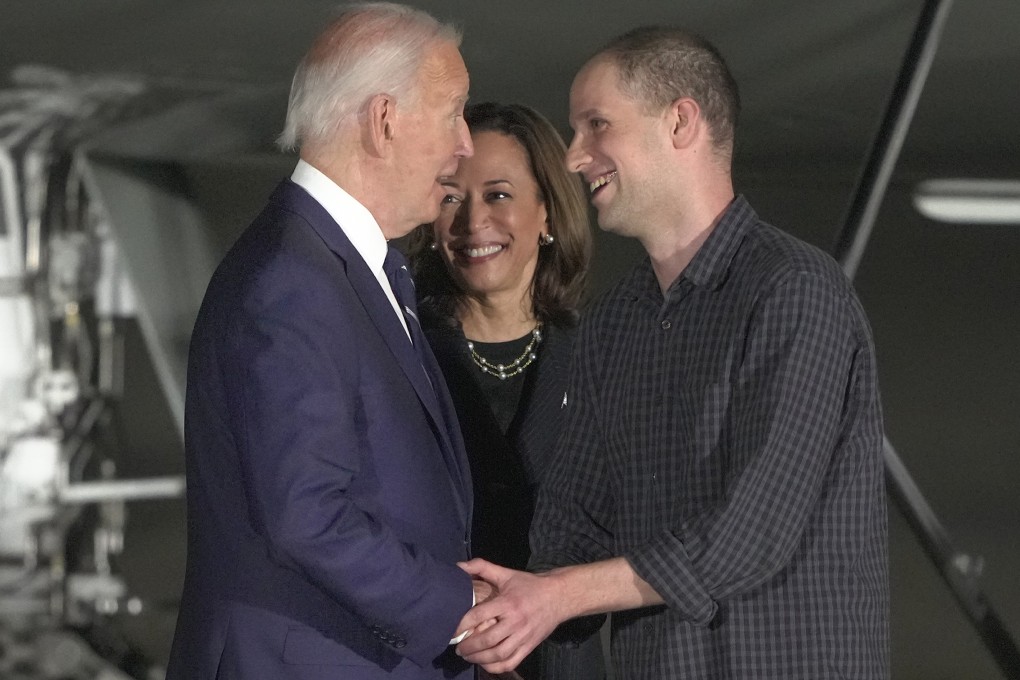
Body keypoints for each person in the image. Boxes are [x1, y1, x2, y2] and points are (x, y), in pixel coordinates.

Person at [454, 26, 889, 679]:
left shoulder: (795, 293)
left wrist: (553, 598)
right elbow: (574, 521)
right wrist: (508, 610)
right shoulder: (612, 325)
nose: (575, 157)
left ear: (681, 121)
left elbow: (754, 528)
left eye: (596, 125)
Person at [166, 4, 483, 679]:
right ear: (384, 120)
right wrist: (463, 612)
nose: (466, 145)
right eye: (452, 112)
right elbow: (307, 516)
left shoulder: (333, 266)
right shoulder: (294, 281)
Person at [407, 102, 603, 680]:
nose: (472, 223)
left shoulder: (603, 361)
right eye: (450, 197)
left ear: (546, 212)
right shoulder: (399, 353)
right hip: (435, 660)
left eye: (498, 195)